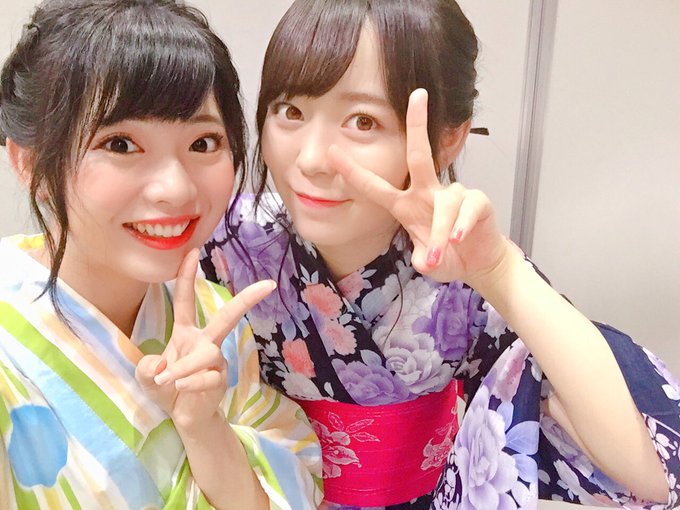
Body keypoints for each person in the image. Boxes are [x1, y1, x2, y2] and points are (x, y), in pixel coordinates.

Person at [201, 0, 680, 509]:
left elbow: (656, 473)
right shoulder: (225, 242)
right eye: (291, 111)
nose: (312, 158)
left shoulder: (466, 273)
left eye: (362, 121)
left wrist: (501, 272)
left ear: (448, 139)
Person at [0, 1, 323, 509]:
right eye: (120, 144)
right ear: (31, 164)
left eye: (204, 142)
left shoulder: (218, 321)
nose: (176, 189)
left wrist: (203, 426)